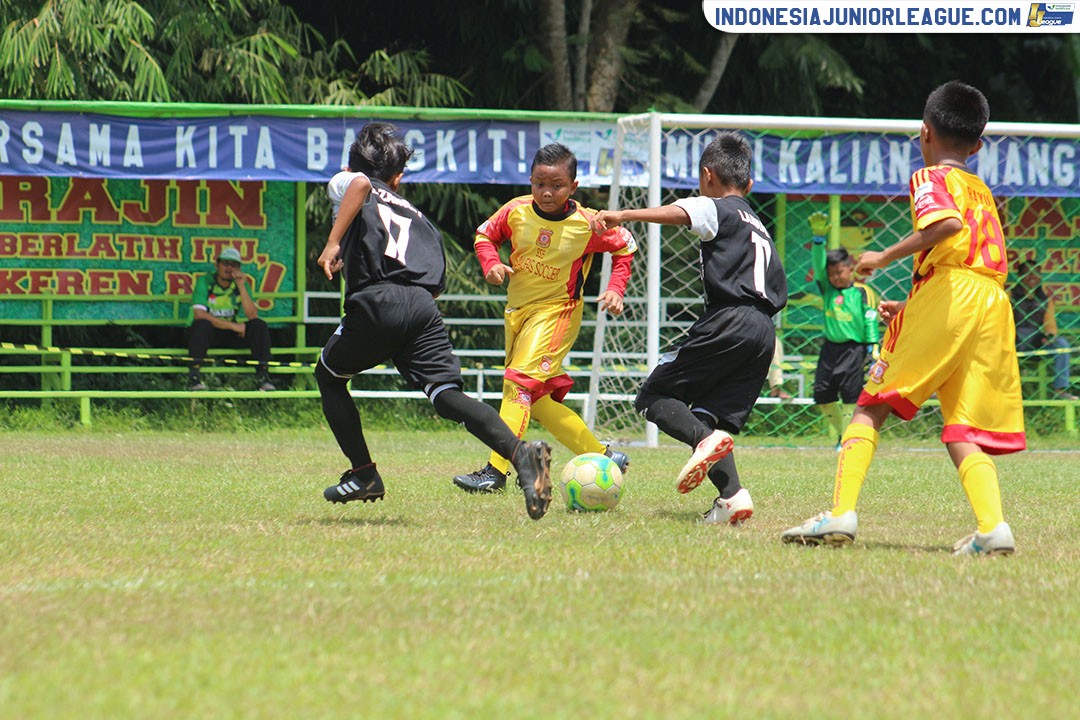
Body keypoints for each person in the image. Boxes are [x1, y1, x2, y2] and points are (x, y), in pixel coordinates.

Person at [781, 80, 1025, 556]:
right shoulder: (983, 190)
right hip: (990, 303)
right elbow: (968, 258)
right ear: (977, 146)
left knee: (870, 405)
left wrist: (884, 255)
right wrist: (913, 310)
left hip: (951, 294)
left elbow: (946, 226)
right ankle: (992, 527)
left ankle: (841, 513)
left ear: (924, 133)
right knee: (962, 424)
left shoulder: (931, 178)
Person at [315, 122, 553, 520]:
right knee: (446, 396)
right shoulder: (418, 216)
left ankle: (364, 474)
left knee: (328, 376)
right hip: (422, 307)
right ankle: (521, 454)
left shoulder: (350, 181)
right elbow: (435, 277)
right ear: (398, 177)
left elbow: (357, 186)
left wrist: (333, 242)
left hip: (378, 300)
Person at [592, 132, 788, 526]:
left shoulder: (721, 207)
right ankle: (732, 497)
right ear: (749, 185)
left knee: (654, 394)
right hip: (765, 331)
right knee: (706, 416)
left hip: (730, 318)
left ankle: (703, 441)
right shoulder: (759, 224)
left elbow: (685, 211)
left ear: (706, 175)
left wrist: (623, 216)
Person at [451, 143, 637, 494]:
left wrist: (616, 287)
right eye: (539, 184)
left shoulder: (587, 223)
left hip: (557, 313)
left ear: (573, 187)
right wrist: (490, 264)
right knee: (535, 402)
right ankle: (604, 456)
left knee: (518, 384)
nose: (547, 192)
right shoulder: (516, 211)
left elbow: (624, 244)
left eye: (557, 185)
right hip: (518, 313)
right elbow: (484, 235)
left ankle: (496, 470)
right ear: (530, 181)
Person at [806, 211, 881, 448]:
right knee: (822, 395)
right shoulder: (827, 290)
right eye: (832, 274)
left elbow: (870, 319)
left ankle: (849, 439)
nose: (836, 277)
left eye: (840, 272)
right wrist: (818, 241)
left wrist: (874, 346)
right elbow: (818, 266)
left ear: (850, 269)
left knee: (851, 395)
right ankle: (841, 432)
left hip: (854, 350)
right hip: (830, 349)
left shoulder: (862, 292)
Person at [187, 246, 275, 391]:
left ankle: (263, 376)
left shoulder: (241, 283)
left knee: (259, 326)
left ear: (239, 267)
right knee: (202, 325)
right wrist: (235, 327)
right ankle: (194, 378)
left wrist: (241, 286)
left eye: (233, 264)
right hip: (206, 334)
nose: (229, 268)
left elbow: (252, 315)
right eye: (225, 263)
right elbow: (199, 314)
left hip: (228, 334)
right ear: (217, 265)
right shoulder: (205, 281)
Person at [1011, 261, 1076, 400]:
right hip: (1012, 339)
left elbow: (1050, 324)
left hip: (1035, 340)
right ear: (1020, 275)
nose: (1032, 276)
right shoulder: (1009, 295)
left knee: (1062, 344)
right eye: (1027, 272)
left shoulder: (1044, 299)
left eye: (1036, 272)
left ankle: (1060, 390)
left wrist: (1049, 335)